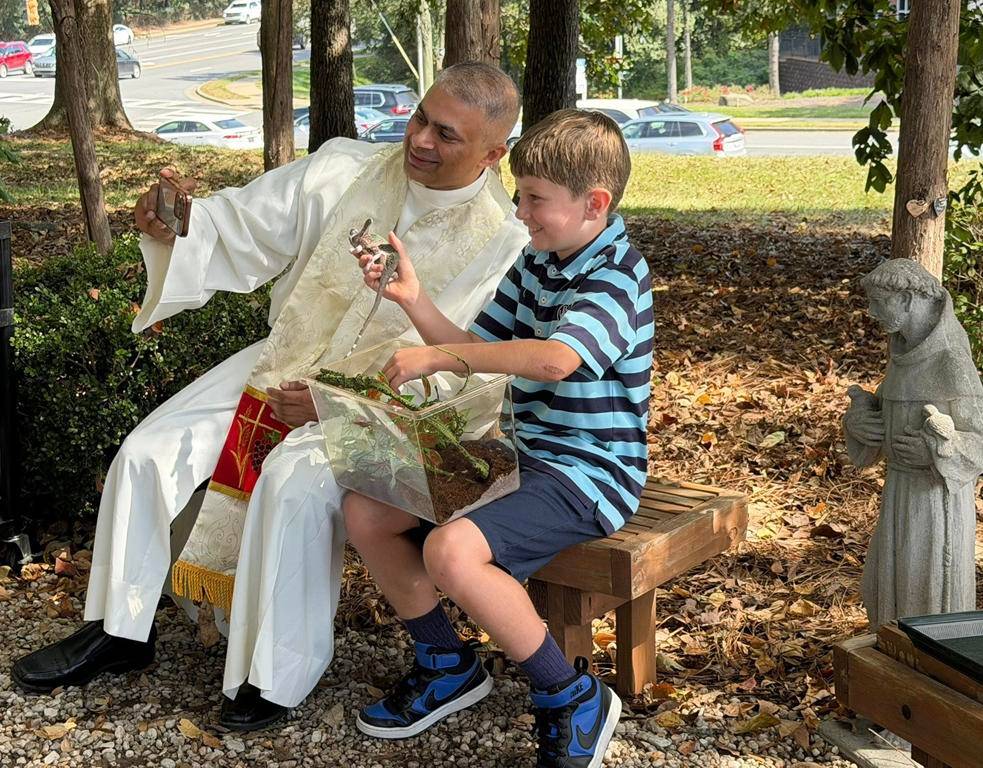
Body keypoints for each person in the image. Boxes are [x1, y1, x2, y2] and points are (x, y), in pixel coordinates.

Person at [12, 63, 529, 732]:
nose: (421, 140)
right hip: (283, 359)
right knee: (148, 449)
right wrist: (179, 222)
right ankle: (118, 628)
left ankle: (275, 675)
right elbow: (246, 222)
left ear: (493, 153)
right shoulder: (345, 168)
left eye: (446, 134)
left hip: (384, 408)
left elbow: (470, 372)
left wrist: (337, 407)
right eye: (420, 118)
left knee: (291, 483)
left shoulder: (505, 242)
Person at [343, 109, 654, 767]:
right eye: (519, 195)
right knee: (367, 509)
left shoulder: (617, 274)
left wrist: (438, 358)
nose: (520, 212)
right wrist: (412, 299)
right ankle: (445, 662)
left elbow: (554, 360)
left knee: (451, 552)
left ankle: (571, 696)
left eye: (535, 199)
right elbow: (475, 348)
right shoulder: (537, 261)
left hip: (589, 473)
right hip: (520, 456)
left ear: (594, 203)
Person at [843, 258, 983, 629]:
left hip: (936, 503)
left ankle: (929, 662)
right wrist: (859, 421)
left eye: (878, 302)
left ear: (906, 299)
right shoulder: (903, 352)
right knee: (886, 591)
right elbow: (883, 410)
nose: (871, 312)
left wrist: (939, 449)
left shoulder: (950, 359)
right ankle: (892, 654)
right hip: (898, 493)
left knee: (927, 597)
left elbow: (979, 440)